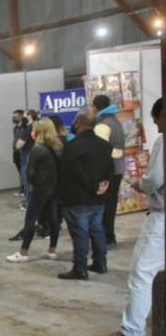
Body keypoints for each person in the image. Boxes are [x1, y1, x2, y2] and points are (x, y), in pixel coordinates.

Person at [99, 98, 164, 336]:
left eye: (156, 120)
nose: (156, 126)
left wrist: (140, 184)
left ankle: (133, 330)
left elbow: (154, 179)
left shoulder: (163, 141)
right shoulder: (116, 124)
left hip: (161, 218)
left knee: (142, 272)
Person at [57, 110, 114, 280]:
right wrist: (103, 185)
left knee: (80, 234)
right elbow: (110, 169)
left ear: (78, 123)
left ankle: (80, 268)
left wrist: (93, 187)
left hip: (77, 197)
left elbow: (76, 173)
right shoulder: (105, 145)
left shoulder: (72, 147)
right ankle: (100, 263)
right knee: (97, 230)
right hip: (99, 197)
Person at [6, 118, 64, 263]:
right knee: (53, 219)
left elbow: (30, 172)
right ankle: (52, 250)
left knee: (31, 219)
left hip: (40, 189)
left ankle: (23, 252)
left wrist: (32, 184)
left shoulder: (37, 149)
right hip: (54, 188)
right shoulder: (58, 147)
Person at [93, 94, 127, 249]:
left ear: (95, 107)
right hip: (118, 168)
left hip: (108, 171)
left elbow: (100, 152)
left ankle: (107, 239)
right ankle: (109, 238)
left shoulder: (103, 125)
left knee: (104, 206)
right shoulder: (115, 121)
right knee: (110, 204)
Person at [16, 110, 38, 209]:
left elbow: (19, 144)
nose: (22, 118)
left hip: (27, 157)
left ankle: (28, 203)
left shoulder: (29, 128)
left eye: (24, 115)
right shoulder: (37, 126)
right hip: (34, 156)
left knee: (27, 181)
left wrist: (17, 144)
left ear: (29, 116)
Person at [12, 109, 26, 197]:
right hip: (16, 152)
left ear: (21, 116)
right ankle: (22, 189)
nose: (13, 118)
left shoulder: (25, 128)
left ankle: (25, 190)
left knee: (24, 171)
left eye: (15, 116)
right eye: (13, 117)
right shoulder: (15, 128)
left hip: (23, 152)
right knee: (20, 171)